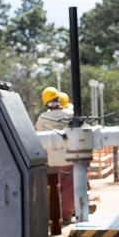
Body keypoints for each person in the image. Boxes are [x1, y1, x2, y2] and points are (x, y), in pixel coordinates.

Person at [35, 87, 75, 223]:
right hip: (69, 159)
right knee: (69, 188)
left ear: (46, 102)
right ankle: (67, 216)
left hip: (51, 161)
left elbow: (37, 136)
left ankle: (51, 217)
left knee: (51, 189)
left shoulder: (43, 117)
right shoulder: (71, 114)